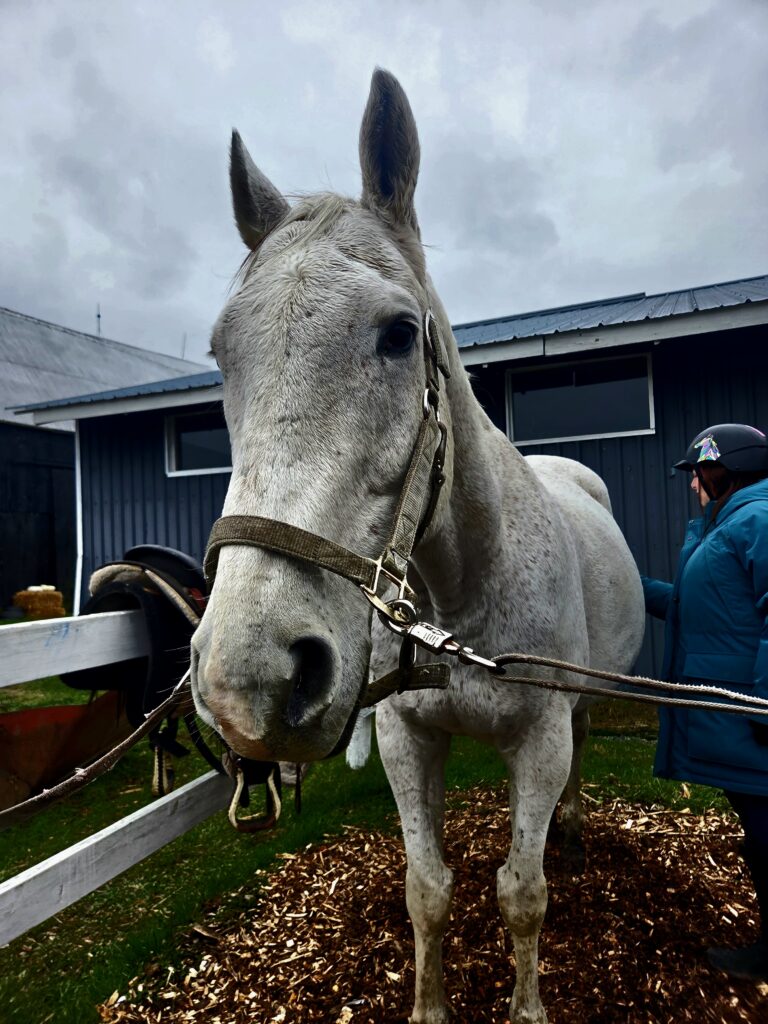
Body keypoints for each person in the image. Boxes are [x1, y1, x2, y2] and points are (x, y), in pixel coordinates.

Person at [641, 423, 768, 982]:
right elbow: (700, 611)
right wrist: (629, 583)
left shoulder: (759, 521)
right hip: (737, 720)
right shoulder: (730, 526)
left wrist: (763, 707)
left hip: (750, 718)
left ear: (724, 470)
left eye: (698, 470)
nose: (692, 481)